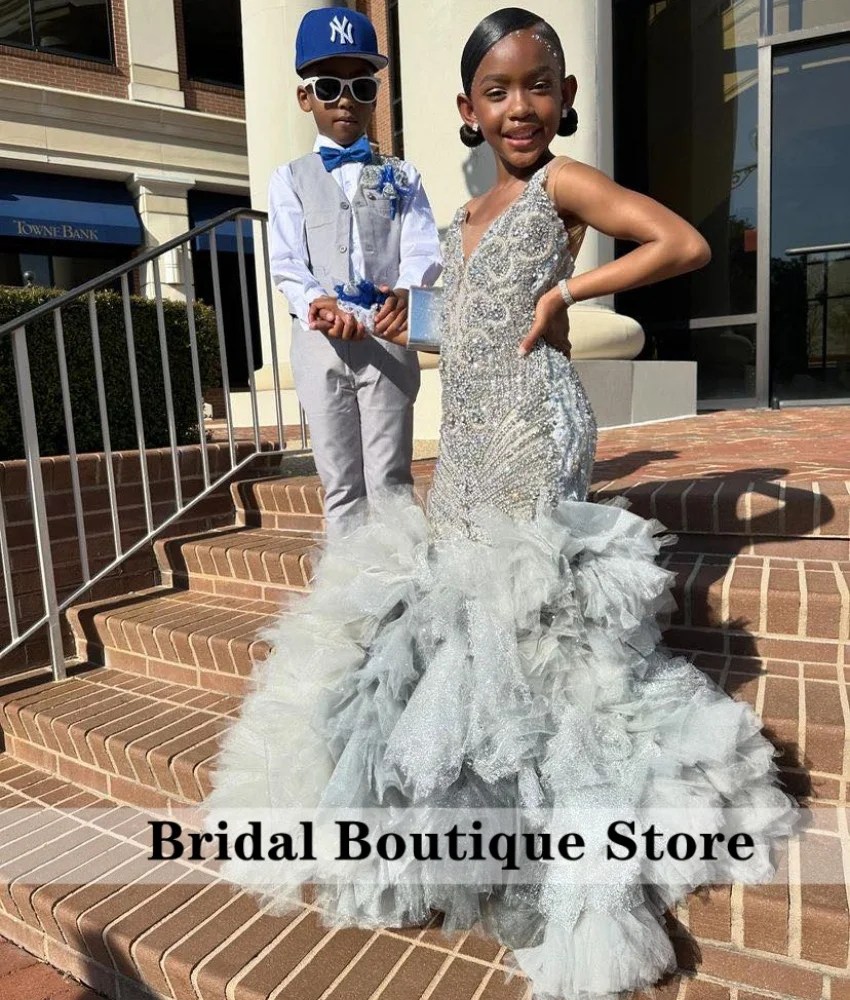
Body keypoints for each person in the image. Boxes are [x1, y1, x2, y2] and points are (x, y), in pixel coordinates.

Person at [208, 9, 795, 999]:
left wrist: (570, 295)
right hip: (469, 439)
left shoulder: (561, 185)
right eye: (497, 90)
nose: (519, 106)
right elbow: (473, 328)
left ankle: (574, 853)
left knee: (533, 628)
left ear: (565, 97)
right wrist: (403, 321)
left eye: (537, 85)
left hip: (533, 429)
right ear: (467, 109)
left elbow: (682, 242)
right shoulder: (462, 216)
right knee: (462, 627)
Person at [268, 6, 442, 538]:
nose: (346, 99)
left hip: (388, 338)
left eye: (361, 87)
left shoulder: (402, 175)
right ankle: (351, 586)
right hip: (320, 345)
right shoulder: (288, 178)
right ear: (306, 97)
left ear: (375, 97)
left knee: (390, 478)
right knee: (340, 483)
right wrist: (315, 302)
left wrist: (408, 290)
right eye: (329, 86)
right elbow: (286, 259)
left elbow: (422, 246)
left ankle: (401, 581)